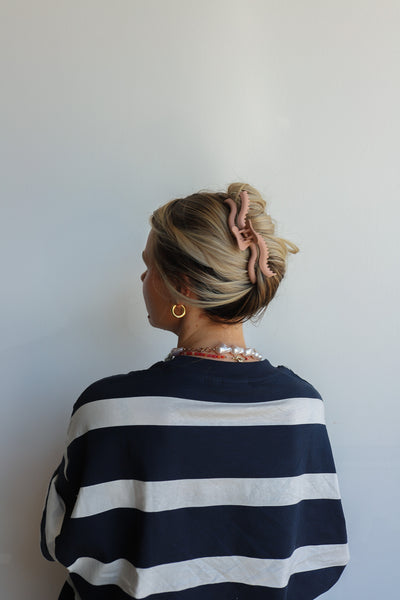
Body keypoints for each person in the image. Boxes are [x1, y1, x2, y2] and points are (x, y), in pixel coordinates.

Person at [41, 183, 349, 599]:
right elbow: (321, 555)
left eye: (149, 266)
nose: (143, 278)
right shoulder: (301, 407)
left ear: (183, 287)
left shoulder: (109, 410)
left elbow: (56, 539)